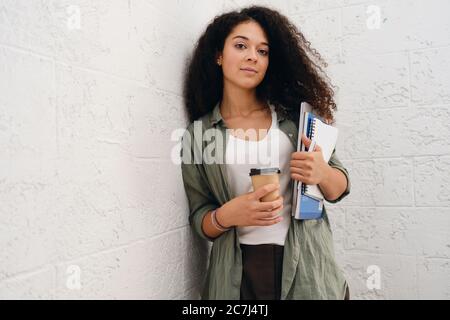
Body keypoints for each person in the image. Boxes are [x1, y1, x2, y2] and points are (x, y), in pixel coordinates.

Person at [180, 5, 351, 300]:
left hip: (308, 270)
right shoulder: (199, 134)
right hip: (238, 274)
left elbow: (339, 188)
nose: (252, 57)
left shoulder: (297, 120)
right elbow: (200, 218)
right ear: (218, 55)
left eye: (263, 51)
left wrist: (322, 172)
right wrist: (226, 215)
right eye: (241, 45)